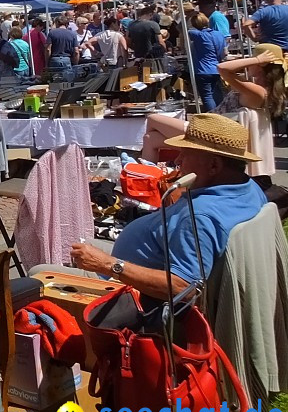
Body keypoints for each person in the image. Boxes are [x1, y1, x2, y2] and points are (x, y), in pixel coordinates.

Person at [68, 114, 266, 300]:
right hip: (145, 256)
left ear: (214, 165)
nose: (178, 160)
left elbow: (185, 288)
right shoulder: (249, 189)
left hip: (128, 290)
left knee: (39, 272)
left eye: (185, 154)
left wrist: (109, 265)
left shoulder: (199, 217)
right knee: (78, 246)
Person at [142, 43, 286, 167]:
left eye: (252, 60)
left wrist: (257, 59)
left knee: (153, 118)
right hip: (212, 127)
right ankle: (149, 180)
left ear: (261, 65)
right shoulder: (254, 86)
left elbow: (222, 69)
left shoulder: (258, 91)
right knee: (150, 138)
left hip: (213, 133)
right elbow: (226, 70)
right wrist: (255, 61)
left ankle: (174, 163)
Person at [188, 12, 227, 112]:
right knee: (217, 93)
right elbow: (224, 52)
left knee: (207, 96)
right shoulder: (218, 34)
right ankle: (221, 114)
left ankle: (213, 117)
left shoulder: (197, 34)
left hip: (202, 69)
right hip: (216, 68)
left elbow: (184, 30)